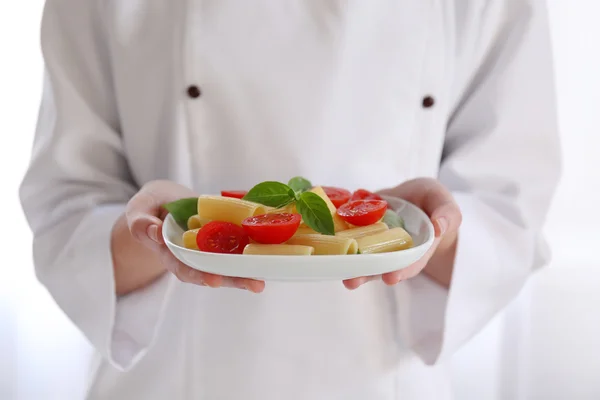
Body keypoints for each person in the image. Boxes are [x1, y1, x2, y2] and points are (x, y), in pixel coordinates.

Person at [19, 0, 560, 399]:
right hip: (170, 378)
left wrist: (426, 233)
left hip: (378, 378)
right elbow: (69, 210)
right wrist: (162, 232)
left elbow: (508, 215)